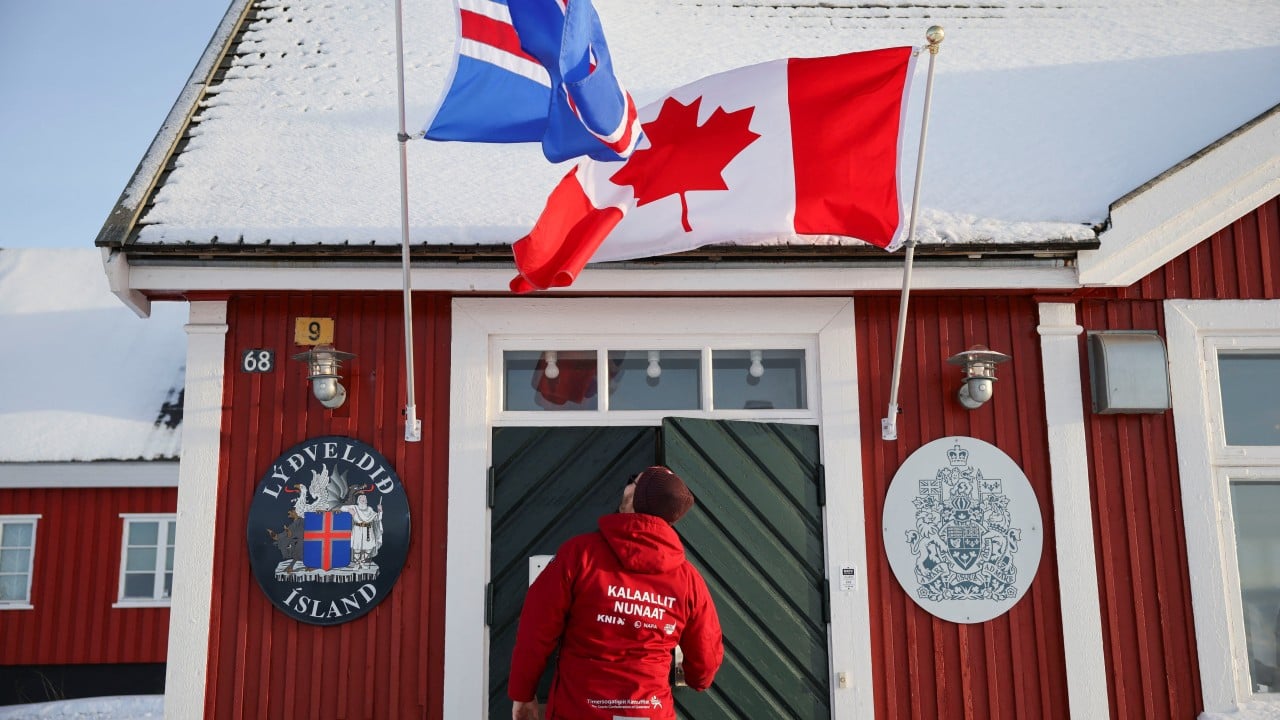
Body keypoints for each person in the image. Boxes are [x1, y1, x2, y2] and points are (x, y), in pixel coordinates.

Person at [509, 466, 724, 720]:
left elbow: (536, 630)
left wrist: (523, 694)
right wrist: (696, 677)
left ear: (636, 498)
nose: (627, 485)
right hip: (648, 710)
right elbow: (704, 664)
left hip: (579, 710)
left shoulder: (579, 556)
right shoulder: (689, 580)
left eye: (633, 481)